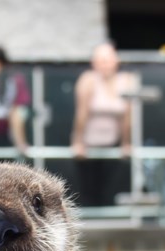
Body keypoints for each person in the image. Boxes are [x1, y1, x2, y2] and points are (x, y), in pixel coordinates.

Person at [70, 41, 136, 208]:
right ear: (94, 63)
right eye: (100, 60)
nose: (104, 65)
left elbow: (128, 117)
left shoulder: (127, 80)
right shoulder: (88, 80)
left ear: (116, 61)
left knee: (110, 190)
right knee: (88, 191)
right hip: (88, 146)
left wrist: (126, 143)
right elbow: (81, 113)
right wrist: (78, 142)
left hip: (112, 146)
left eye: (107, 60)